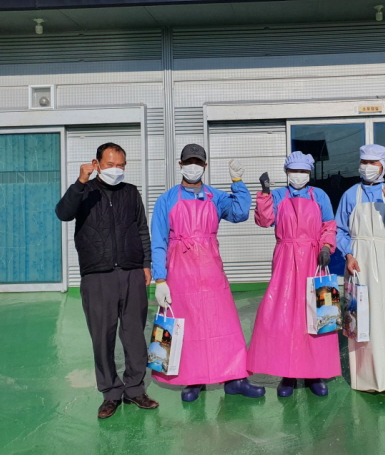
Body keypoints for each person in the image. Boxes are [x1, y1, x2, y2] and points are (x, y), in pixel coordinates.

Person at [150, 143, 265, 402]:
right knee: (187, 327)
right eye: (188, 162)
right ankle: (193, 379)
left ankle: (235, 379)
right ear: (180, 165)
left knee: (225, 324)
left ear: (205, 166)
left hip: (211, 270)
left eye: (198, 162)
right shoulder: (166, 200)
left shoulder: (216, 197)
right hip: (180, 272)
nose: (193, 167)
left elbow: (239, 213)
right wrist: (160, 279)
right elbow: (158, 241)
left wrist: (237, 182)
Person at [55, 142, 158, 419]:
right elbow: (63, 213)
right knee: (102, 337)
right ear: (97, 164)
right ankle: (110, 393)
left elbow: (142, 229)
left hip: (131, 272)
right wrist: (80, 182)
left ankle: (135, 388)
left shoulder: (131, 192)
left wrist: (146, 264)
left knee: (134, 335)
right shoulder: (85, 191)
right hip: (97, 275)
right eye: (110, 164)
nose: (116, 169)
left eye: (121, 165)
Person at [247, 152, 339, 396]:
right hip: (286, 260)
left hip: (314, 259)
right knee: (285, 315)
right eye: (294, 171)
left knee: (318, 314)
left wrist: (326, 246)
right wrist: (264, 194)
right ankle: (287, 374)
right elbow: (264, 221)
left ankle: (315, 373)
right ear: (287, 172)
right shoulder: (278, 195)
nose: (299, 175)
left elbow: (329, 225)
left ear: (309, 173)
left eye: (303, 171)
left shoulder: (319, 195)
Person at [335, 144, 385, 393]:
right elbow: (340, 229)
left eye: (373, 163)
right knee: (359, 315)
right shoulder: (350, 194)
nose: (368, 167)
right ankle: (364, 377)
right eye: (364, 162)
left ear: (383, 166)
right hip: (358, 259)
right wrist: (348, 254)